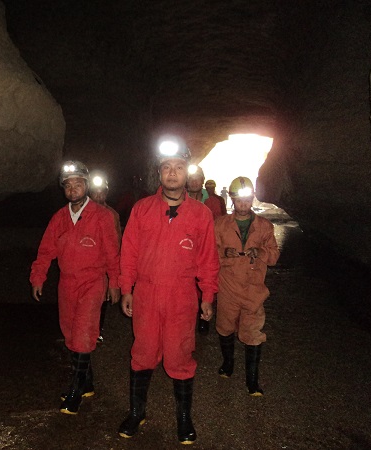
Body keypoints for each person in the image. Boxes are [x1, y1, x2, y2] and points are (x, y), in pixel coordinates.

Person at [118, 137, 219, 444]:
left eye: (178, 167)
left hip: (182, 297)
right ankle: (137, 412)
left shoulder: (201, 214)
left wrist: (208, 297)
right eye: (166, 168)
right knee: (143, 353)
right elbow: (129, 252)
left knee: (180, 355)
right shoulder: (142, 209)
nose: (173, 173)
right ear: (159, 173)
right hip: (147, 294)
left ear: (187, 172)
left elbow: (208, 260)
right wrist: (126, 289)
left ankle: (184, 418)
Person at [30, 161, 120, 415]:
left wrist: (115, 283)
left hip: (92, 281)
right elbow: (46, 250)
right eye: (68, 185)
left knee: (82, 334)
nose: (72, 189)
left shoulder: (102, 216)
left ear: (87, 185)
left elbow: (113, 253)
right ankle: (88, 381)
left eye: (77, 183)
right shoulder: (59, 218)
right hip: (67, 283)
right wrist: (38, 277)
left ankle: (76, 390)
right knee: (71, 334)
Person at [214, 176, 280, 396]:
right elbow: (207, 254)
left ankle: (252, 381)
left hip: (253, 289)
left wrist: (260, 252)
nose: (243, 204)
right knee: (225, 327)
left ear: (251, 199)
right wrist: (223, 254)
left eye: (247, 199)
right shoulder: (220, 225)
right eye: (239, 200)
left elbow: (274, 257)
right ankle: (228, 363)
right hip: (228, 287)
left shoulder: (264, 227)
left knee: (253, 332)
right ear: (232, 200)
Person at [89, 171, 122, 344]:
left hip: (105, 264)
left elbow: (118, 240)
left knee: (102, 299)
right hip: (88, 265)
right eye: (95, 191)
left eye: (102, 191)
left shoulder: (113, 215)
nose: (99, 195)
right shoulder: (82, 213)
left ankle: (97, 330)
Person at [187, 164, 211, 335]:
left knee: (206, 285)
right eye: (192, 179)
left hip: (206, 249)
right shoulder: (178, 200)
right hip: (186, 251)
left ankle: (204, 318)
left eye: (198, 179)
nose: (194, 182)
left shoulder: (213, 202)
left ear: (202, 181)